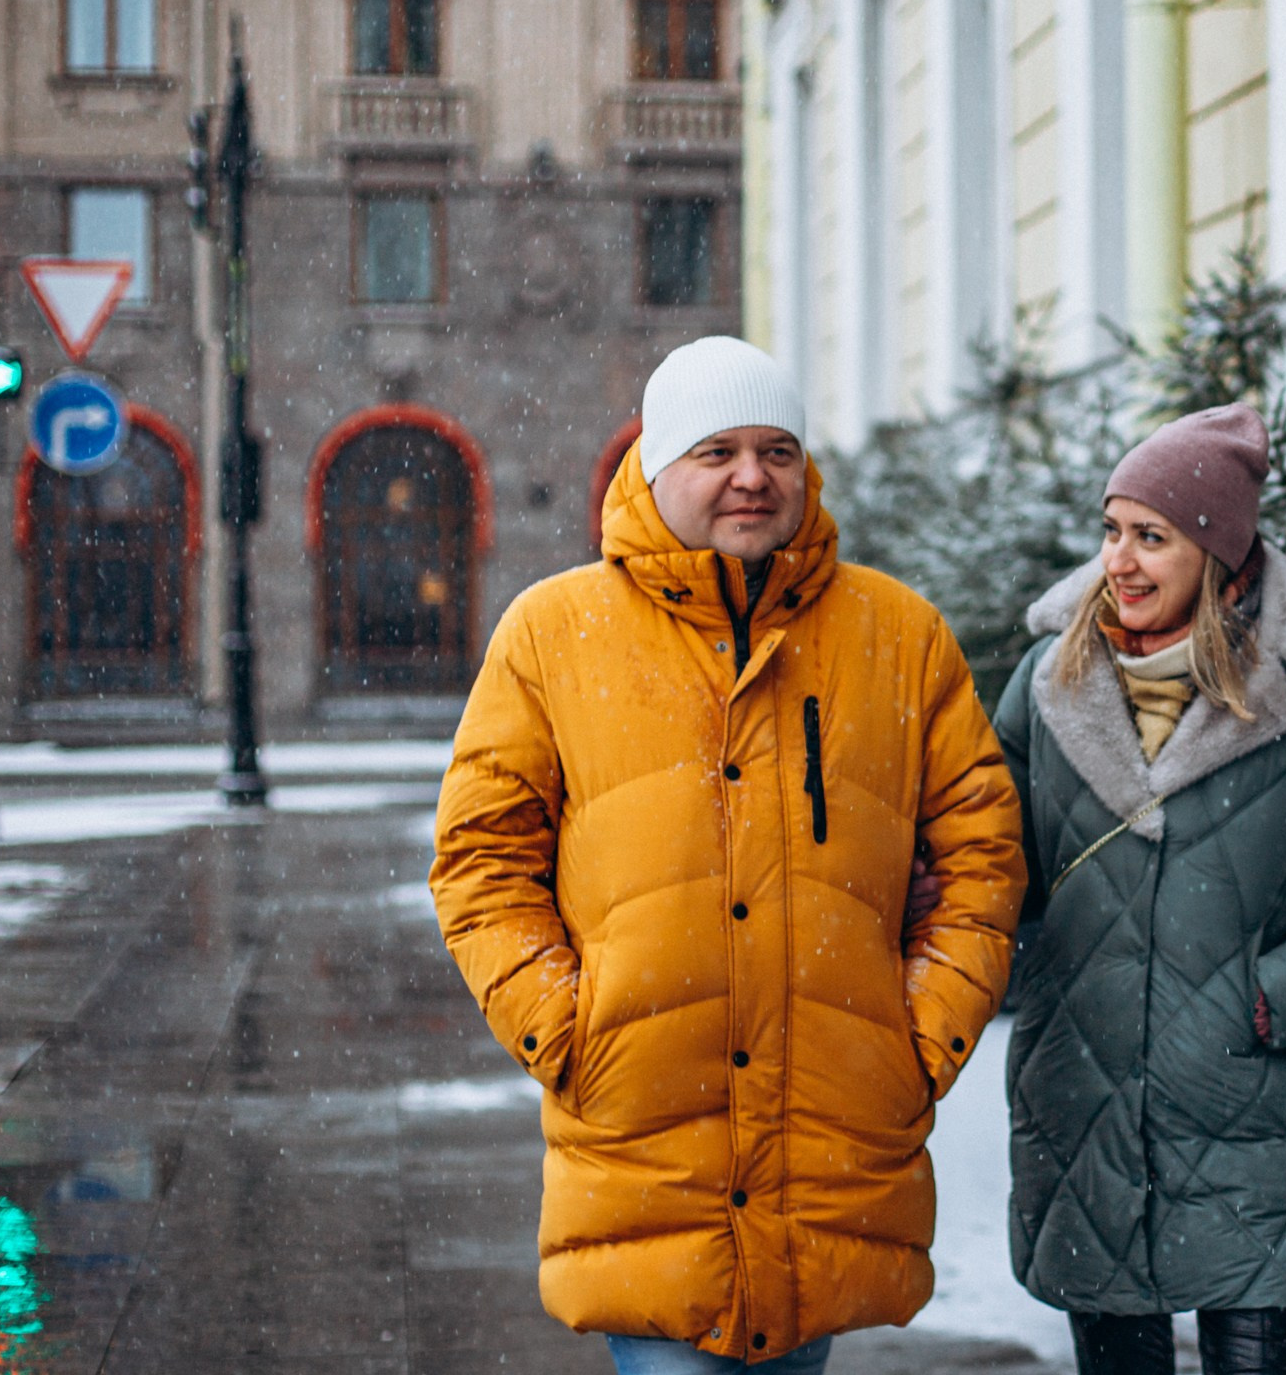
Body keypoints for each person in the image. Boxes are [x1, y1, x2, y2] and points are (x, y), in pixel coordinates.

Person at [431, 336, 1026, 1372]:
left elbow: (983, 854)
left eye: (778, 449)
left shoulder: (899, 635)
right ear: (656, 470)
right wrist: (566, 1029)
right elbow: (480, 860)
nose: (753, 475)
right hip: (645, 1139)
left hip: (831, 1140)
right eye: (717, 451)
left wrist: (918, 1039)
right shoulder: (553, 634)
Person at [994, 403, 1286, 1375]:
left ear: (1221, 555)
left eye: (1153, 536)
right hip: (1086, 1101)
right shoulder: (1047, 685)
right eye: (1112, 531)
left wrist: (1265, 998)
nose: (1122, 561)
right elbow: (987, 863)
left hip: (1255, 1111)